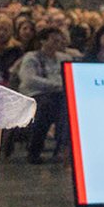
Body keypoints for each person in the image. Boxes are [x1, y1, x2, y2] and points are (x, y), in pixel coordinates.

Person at [15, 27, 68, 164]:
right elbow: (29, 79)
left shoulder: (63, 58)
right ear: (43, 41)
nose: (57, 43)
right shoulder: (31, 58)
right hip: (35, 94)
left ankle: (61, 148)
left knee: (66, 107)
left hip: (58, 95)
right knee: (45, 107)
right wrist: (56, 84)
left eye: (59, 40)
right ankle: (35, 149)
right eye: (54, 40)